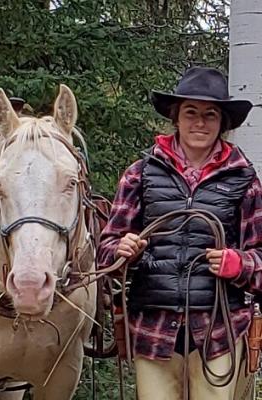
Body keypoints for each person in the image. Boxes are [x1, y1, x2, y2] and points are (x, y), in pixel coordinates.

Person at [96, 66, 262, 400]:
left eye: (210, 114)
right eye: (191, 112)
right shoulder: (140, 174)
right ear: (176, 117)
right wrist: (121, 250)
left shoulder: (245, 180)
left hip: (219, 331)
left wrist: (238, 265)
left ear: (222, 122)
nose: (199, 123)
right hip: (153, 329)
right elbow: (105, 251)